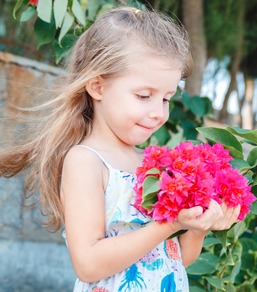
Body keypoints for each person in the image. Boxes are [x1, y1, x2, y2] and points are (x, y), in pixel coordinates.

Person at [0, 6, 240, 291]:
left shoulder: (152, 165)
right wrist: (169, 225)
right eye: (143, 96)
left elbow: (174, 261)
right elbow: (88, 264)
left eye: (166, 98)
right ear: (98, 87)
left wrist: (197, 229)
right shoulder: (86, 161)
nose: (158, 113)